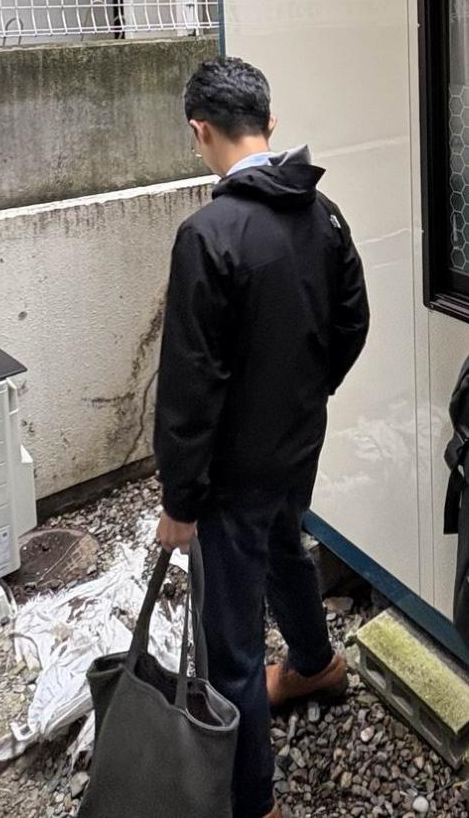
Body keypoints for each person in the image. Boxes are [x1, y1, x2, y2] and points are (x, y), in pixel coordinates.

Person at [153, 57, 372, 818]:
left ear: (200, 132)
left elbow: (190, 384)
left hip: (229, 475)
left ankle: (253, 801)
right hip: (297, 446)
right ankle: (315, 664)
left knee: (232, 642)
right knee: (285, 545)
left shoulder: (207, 235)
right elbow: (352, 323)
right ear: (270, 125)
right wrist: (304, 398)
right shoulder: (323, 213)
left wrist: (180, 499)